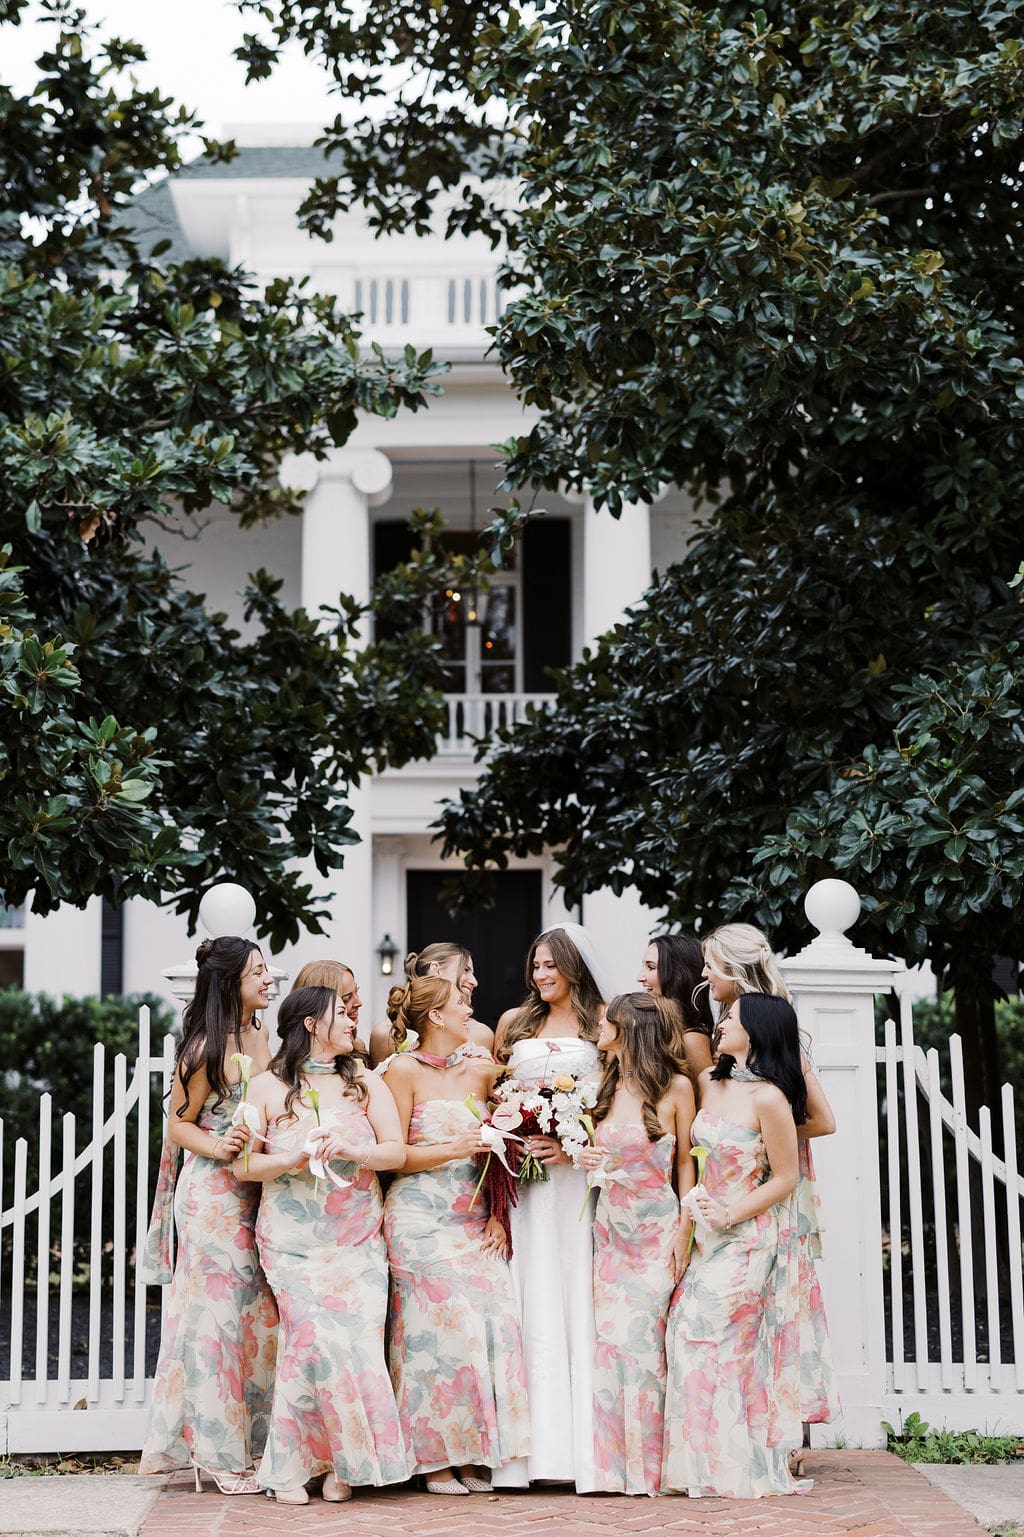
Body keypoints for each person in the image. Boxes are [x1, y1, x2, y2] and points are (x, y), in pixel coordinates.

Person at [237, 985, 409, 1505]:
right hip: (293, 1244)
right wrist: (290, 1157)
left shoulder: (366, 1083)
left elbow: (396, 1150)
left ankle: (345, 1465)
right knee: (309, 1344)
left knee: (354, 1346)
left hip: (356, 1239)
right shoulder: (264, 1087)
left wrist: (354, 1150)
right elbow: (242, 1165)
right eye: (342, 1014)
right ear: (311, 1023)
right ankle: (288, 1469)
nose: (354, 1021)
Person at [661, 993, 824, 1499]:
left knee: (719, 1341)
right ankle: (700, 1465)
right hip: (706, 1233)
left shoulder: (771, 1099)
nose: (721, 1022)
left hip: (749, 1237)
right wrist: (690, 1222)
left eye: (730, 1017)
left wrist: (730, 1213)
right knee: (685, 1333)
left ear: (755, 1029)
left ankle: (738, 1466)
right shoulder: (710, 1082)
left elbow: (786, 1178)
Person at [381, 975, 530, 1493]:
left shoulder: (483, 1069)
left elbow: (504, 1147)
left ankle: (474, 1452)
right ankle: (433, 1458)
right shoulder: (401, 1071)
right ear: (436, 1018)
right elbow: (394, 1156)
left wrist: (496, 1214)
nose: (471, 1009)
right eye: (460, 1003)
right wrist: (452, 1149)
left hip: (473, 1218)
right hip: (419, 1219)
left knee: (493, 1320)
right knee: (435, 1333)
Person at [139, 938, 278, 1495]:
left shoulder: (263, 1033)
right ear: (229, 984)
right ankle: (216, 1454)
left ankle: (256, 1442)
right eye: (258, 973)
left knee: (257, 1321)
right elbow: (178, 1125)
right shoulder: (201, 1048)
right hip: (214, 1199)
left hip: (258, 1192)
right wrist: (222, 1147)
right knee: (217, 1324)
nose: (268, 980)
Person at [699, 921, 840, 1441]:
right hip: (737, 1181)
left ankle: (789, 1428)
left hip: (776, 1183)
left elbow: (824, 1121)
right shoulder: (728, 1030)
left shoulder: (770, 1029)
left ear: (735, 969)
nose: (705, 973)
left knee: (786, 1301)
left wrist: (759, 1130)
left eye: (712, 963)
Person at [491, 922, 616, 1493]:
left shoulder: (603, 1023)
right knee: (528, 1291)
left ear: (574, 968)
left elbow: (616, 1101)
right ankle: (523, 1454)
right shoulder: (515, 1025)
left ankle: (579, 1453)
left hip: (574, 1182)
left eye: (551, 965)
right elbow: (494, 1091)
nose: (541, 975)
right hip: (523, 1180)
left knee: (572, 1288)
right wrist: (510, 1123)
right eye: (535, 965)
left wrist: (570, 1146)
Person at [578, 992, 697, 1496]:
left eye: (607, 1022)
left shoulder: (676, 1089)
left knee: (645, 1348)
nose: (598, 1027)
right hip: (610, 1231)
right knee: (609, 1346)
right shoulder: (603, 1084)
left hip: (655, 1230)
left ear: (629, 1030)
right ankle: (611, 1466)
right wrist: (588, 1160)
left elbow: (688, 1164)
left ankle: (650, 1467)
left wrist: (686, 1230)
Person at [369, 942, 494, 1066]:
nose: (474, 982)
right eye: (465, 970)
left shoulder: (481, 1034)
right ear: (435, 970)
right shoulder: (385, 1035)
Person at [637, 934, 716, 1075]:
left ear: (679, 975)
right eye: (643, 966)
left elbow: (705, 1094)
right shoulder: (656, 1027)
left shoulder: (692, 1040)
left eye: (651, 967)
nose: (640, 978)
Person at [293, 959, 365, 1048]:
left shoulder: (357, 1046)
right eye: (346, 999)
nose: (359, 1003)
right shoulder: (296, 1059)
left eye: (356, 992)